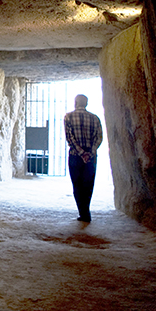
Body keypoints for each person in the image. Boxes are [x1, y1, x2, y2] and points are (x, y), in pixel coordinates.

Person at [64, 94, 103, 222]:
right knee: (88, 185)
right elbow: (99, 137)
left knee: (77, 184)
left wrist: (81, 153)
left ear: (75, 102)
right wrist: (90, 153)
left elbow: (70, 138)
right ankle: (86, 211)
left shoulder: (68, 117)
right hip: (91, 157)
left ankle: (83, 213)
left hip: (75, 156)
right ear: (86, 103)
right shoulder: (95, 118)